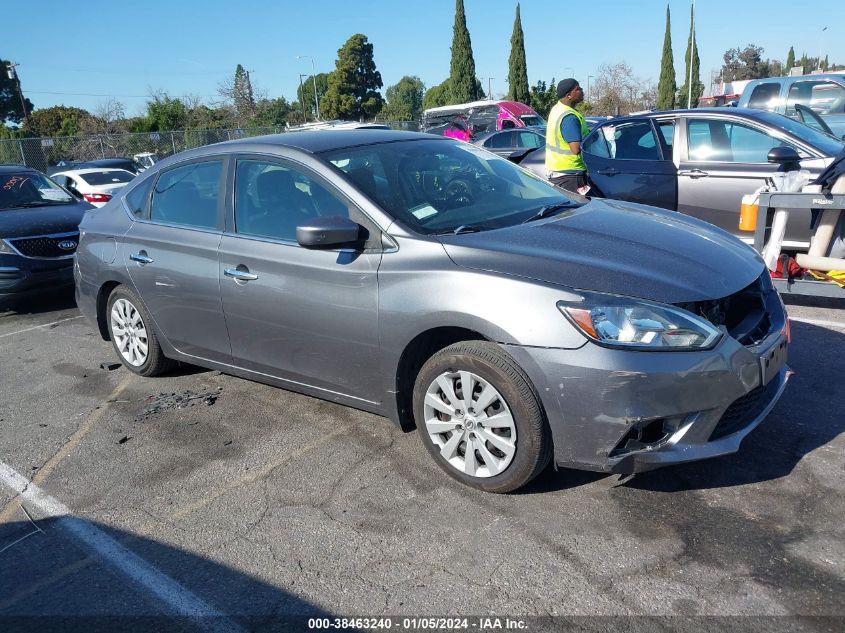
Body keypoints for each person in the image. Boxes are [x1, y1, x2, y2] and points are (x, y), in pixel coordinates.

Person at [545, 78, 591, 193]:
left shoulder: (557, 109)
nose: (581, 90)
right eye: (578, 89)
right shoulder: (569, 117)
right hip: (570, 175)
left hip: (559, 172)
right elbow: (575, 149)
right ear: (569, 95)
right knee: (577, 210)